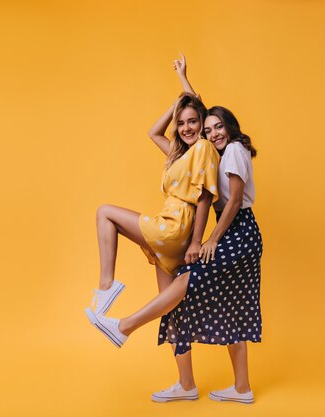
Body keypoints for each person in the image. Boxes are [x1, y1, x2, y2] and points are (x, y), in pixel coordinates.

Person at [92, 54, 263, 405]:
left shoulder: (221, 151)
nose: (209, 132)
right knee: (206, 306)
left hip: (228, 232)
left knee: (185, 285)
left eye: (215, 126)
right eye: (206, 127)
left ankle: (122, 324)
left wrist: (205, 240)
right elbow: (184, 120)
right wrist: (181, 90)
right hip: (225, 233)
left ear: (226, 128)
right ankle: (224, 386)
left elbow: (220, 202)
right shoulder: (196, 151)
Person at [84, 92, 220, 342]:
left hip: (175, 226)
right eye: (180, 123)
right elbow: (154, 133)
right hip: (174, 232)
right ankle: (187, 382)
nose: (186, 128)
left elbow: (204, 197)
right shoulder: (181, 156)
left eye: (192, 121)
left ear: (203, 122)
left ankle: (107, 286)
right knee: (171, 312)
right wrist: (177, 105)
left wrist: (196, 242)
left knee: (105, 213)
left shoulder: (203, 147)